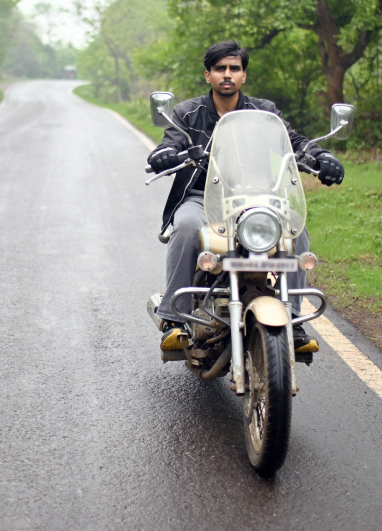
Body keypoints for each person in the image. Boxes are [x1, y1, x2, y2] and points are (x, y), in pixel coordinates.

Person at [147, 40, 344, 354]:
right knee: (185, 227)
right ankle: (173, 318)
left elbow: (293, 142)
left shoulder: (264, 112)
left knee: (296, 229)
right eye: (220, 69)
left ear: (243, 76)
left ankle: (292, 317)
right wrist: (165, 154)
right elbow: (169, 143)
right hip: (202, 198)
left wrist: (321, 157)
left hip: (256, 201)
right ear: (208, 75)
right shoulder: (189, 112)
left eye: (234, 69)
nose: (227, 74)